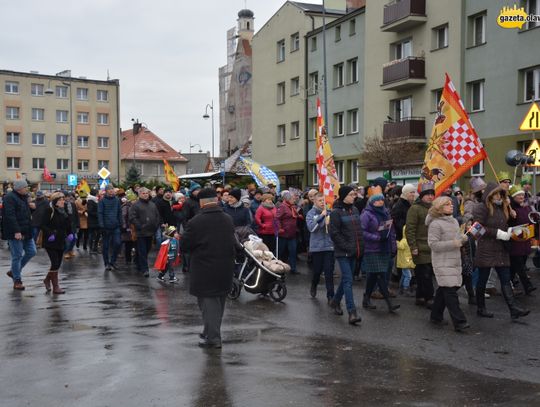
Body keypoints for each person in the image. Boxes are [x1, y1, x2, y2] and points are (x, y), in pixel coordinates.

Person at [181, 188, 237, 349]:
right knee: (218, 303)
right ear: (217, 200)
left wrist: (180, 238)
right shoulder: (227, 218)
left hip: (205, 269)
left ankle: (213, 338)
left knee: (209, 305)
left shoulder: (196, 222)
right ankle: (209, 331)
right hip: (225, 267)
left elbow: (185, 246)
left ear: (201, 203)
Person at [473, 182, 530, 320]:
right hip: (486, 248)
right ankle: (481, 308)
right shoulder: (481, 207)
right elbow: (476, 229)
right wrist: (497, 233)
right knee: (482, 280)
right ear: (490, 194)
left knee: (505, 279)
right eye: (496, 193)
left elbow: (504, 225)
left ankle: (513, 309)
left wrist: (511, 221)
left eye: (501, 193)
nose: (499, 196)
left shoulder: (501, 208)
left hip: (500, 249)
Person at [427, 196, 470, 332]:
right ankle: (460, 322)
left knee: (445, 289)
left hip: (454, 260)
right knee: (450, 292)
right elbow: (433, 245)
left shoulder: (454, 221)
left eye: (451, 204)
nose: (451, 206)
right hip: (442, 261)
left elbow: (456, 239)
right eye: (447, 204)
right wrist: (453, 243)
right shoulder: (435, 224)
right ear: (439, 208)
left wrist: (462, 238)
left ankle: (435, 315)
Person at [360, 191, 400, 313]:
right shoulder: (366, 214)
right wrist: (377, 237)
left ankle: (366, 298)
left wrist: (393, 247)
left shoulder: (386, 213)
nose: (380, 202)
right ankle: (389, 303)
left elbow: (391, 232)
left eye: (382, 200)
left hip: (384, 248)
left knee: (373, 276)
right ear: (372, 202)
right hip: (372, 249)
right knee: (380, 275)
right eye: (377, 200)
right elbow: (362, 232)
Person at [328, 186, 363, 325]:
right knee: (348, 280)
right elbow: (334, 234)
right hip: (343, 252)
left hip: (354, 251)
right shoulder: (336, 213)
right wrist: (347, 246)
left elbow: (358, 231)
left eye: (354, 194)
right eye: (350, 194)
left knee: (346, 280)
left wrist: (360, 247)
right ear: (343, 196)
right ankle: (352, 312)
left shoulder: (355, 210)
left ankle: (335, 302)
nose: (353, 196)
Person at [1, 180, 37, 290]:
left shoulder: (24, 197)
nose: (28, 189)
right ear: (19, 188)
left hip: (26, 230)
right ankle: (17, 280)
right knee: (17, 256)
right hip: (15, 232)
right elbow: (10, 216)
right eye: (26, 187)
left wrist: (32, 209)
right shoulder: (9, 198)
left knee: (32, 252)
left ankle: (14, 271)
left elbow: (25, 214)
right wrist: (17, 231)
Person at [406, 183, 435, 309]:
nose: (430, 197)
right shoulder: (415, 208)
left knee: (422, 273)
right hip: (420, 246)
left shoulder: (434, 208)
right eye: (427, 195)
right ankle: (429, 298)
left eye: (432, 194)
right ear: (422, 196)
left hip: (432, 246)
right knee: (425, 273)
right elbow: (410, 229)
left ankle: (420, 296)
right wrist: (413, 246)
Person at [41, 192, 74, 294]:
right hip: (50, 241)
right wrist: (50, 233)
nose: (62, 201)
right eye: (60, 200)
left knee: (58, 264)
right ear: (55, 201)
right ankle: (56, 287)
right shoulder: (49, 210)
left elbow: (68, 225)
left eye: (63, 199)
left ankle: (47, 279)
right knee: (55, 263)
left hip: (60, 240)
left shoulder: (64, 212)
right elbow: (43, 224)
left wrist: (70, 233)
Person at [306, 192, 334, 302]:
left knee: (329, 271)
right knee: (317, 271)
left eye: (324, 200)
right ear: (315, 201)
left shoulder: (330, 212)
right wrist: (322, 217)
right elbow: (312, 228)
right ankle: (314, 284)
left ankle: (330, 296)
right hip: (317, 247)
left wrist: (330, 222)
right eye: (320, 200)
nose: (323, 202)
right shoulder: (310, 213)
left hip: (329, 246)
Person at [508, 186, 536, 295]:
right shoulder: (510, 209)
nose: (521, 197)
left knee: (515, 267)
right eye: (518, 195)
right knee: (519, 265)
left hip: (525, 242)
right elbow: (509, 224)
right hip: (515, 242)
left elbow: (531, 221)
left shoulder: (526, 208)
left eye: (522, 195)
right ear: (513, 197)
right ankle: (527, 285)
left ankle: (511, 282)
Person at [129, 187, 161, 277]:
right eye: (143, 193)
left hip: (151, 231)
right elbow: (132, 218)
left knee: (147, 249)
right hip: (141, 232)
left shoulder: (152, 204)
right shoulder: (135, 205)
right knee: (142, 251)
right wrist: (140, 226)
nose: (146, 194)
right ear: (139, 194)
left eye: (147, 193)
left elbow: (157, 215)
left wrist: (156, 224)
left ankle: (137, 261)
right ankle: (145, 269)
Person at [98, 184, 122, 271]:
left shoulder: (117, 200)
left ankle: (113, 261)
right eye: (109, 189)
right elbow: (100, 213)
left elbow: (119, 212)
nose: (111, 190)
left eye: (112, 189)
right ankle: (106, 263)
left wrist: (121, 223)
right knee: (106, 246)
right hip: (106, 226)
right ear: (106, 191)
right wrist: (101, 225)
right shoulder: (102, 201)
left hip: (115, 226)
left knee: (117, 243)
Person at [276, 191, 300, 274]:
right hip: (284, 233)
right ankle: (277, 267)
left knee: (293, 251)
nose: (295, 200)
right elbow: (277, 218)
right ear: (288, 199)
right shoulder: (283, 206)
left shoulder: (292, 206)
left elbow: (294, 216)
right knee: (280, 252)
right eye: (293, 198)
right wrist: (279, 228)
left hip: (292, 233)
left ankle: (293, 268)